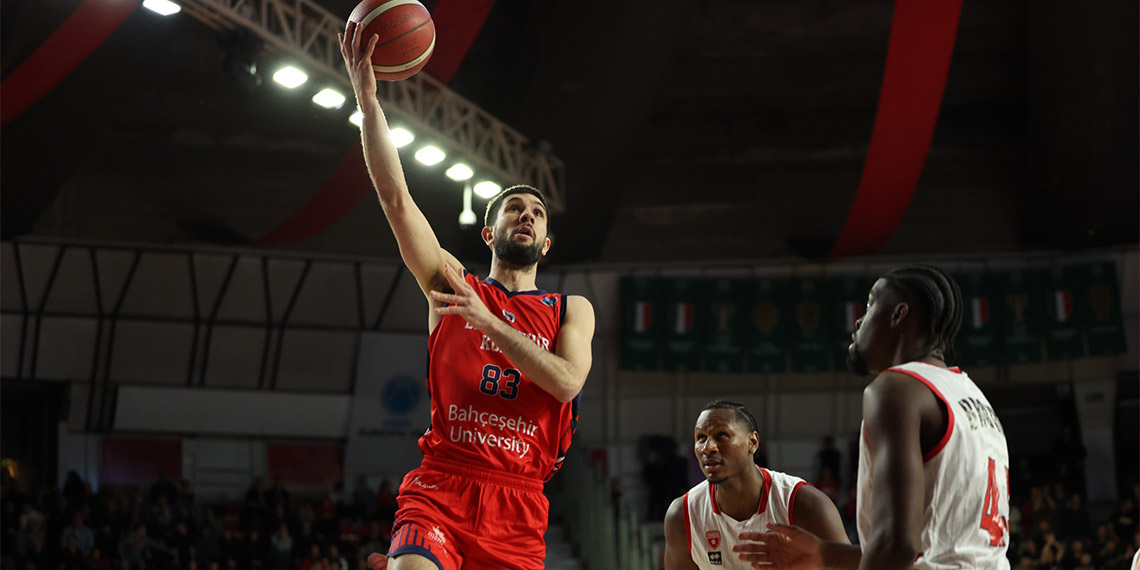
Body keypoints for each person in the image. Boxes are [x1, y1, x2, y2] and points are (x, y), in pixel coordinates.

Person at [339, 21, 595, 570]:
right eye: (513, 209)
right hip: (443, 486)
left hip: (518, 504)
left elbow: (567, 382)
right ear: (488, 233)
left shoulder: (570, 310)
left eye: (537, 213)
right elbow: (396, 199)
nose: (526, 216)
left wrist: (490, 323)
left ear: (546, 243)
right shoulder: (452, 285)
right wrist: (368, 101)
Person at [735, 265, 1011, 569]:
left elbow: (897, 546)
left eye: (869, 305)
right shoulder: (970, 395)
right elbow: (940, 549)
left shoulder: (897, 388)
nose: (858, 320)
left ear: (898, 314)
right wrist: (825, 554)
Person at [664, 400, 849, 569]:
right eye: (701, 437)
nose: (708, 447)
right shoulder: (682, 515)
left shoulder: (804, 503)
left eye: (722, 435)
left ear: (752, 442)